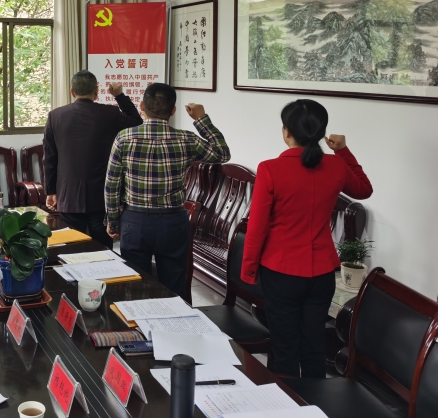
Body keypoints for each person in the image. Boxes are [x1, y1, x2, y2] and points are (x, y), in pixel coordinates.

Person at [241, 99, 372, 378]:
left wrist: (249, 269)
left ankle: (284, 399)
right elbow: (364, 189)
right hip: (322, 273)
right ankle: (314, 399)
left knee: (284, 347)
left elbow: (257, 227)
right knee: (313, 346)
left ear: (286, 132)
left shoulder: (270, 169)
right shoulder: (336, 166)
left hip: (281, 272)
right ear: (320, 133)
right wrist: (343, 151)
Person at [104, 83, 230, 296]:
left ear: (142, 106)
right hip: (173, 222)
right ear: (173, 110)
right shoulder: (188, 139)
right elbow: (222, 153)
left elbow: (112, 185)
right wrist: (201, 119)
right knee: (174, 287)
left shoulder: (124, 138)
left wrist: (113, 221)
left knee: (135, 286)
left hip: (135, 221)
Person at [43, 70, 142, 248]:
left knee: (70, 249)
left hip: (68, 195)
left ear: (72, 92)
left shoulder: (55, 116)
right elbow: (137, 122)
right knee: (102, 249)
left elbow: (50, 157)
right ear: (97, 91)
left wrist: (51, 191)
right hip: (102, 196)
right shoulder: (111, 114)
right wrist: (119, 96)